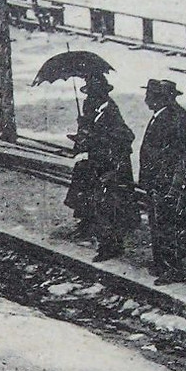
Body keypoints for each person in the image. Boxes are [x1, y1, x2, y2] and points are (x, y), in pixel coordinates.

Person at [64, 75, 137, 262]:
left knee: (108, 205)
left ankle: (110, 243)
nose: (89, 96)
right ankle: (88, 223)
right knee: (88, 193)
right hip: (96, 159)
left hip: (110, 164)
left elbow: (124, 137)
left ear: (102, 94)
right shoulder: (92, 106)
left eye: (93, 92)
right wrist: (83, 127)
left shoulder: (110, 111)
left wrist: (92, 136)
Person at [137, 78, 186, 282]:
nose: (146, 98)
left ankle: (171, 268)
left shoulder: (172, 117)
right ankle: (164, 263)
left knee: (165, 224)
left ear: (160, 99)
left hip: (165, 181)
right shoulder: (165, 115)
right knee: (165, 222)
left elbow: (177, 154)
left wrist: (171, 185)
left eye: (150, 95)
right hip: (161, 180)